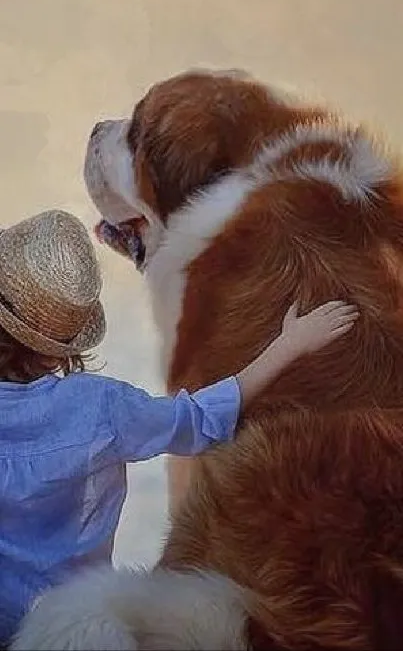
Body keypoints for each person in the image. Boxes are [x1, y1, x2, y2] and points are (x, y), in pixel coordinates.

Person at [0, 210, 358, 646]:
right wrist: (288, 345)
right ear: (58, 352)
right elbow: (198, 421)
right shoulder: (98, 408)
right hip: (65, 632)